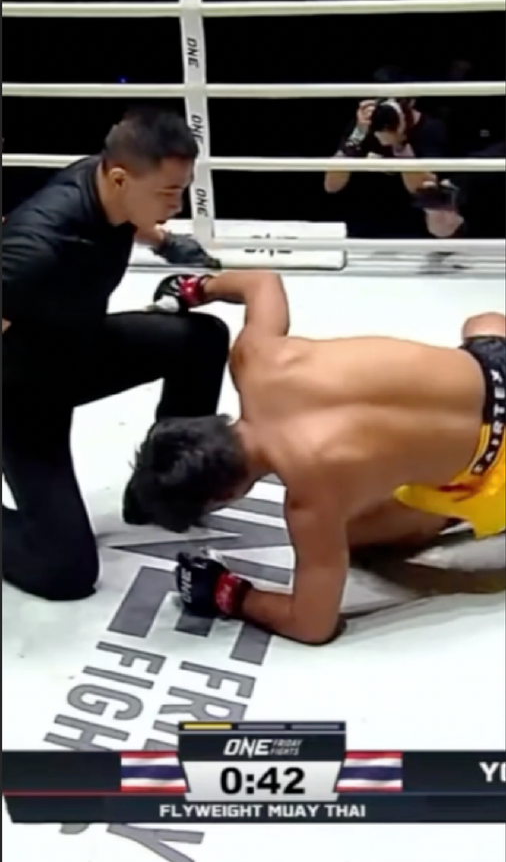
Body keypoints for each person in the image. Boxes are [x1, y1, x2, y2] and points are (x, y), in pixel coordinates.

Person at [125, 270, 506, 645]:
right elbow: (262, 281)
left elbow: (312, 625)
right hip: (494, 364)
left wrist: (228, 594)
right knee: (482, 323)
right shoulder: (257, 359)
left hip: (494, 463)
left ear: (224, 496)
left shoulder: (314, 500)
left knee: (355, 533)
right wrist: (196, 289)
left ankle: (461, 507)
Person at [2, 106, 229, 602]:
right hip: (22, 394)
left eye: (181, 190)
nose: (177, 203)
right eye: (168, 193)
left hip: (80, 346)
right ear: (122, 178)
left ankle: (159, 490)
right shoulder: (36, 248)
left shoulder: (109, 181)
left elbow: (128, 217)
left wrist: (165, 241)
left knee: (202, 339)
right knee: (65, 570)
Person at [324, 68, 448, 239]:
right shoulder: (363, 124)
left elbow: (423, 192)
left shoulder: (430, 128)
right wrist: (357, 135)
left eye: (397, 101)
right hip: (360, 227)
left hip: (412, 231)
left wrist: (399, 144)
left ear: (411, 101)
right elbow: (331, 186)